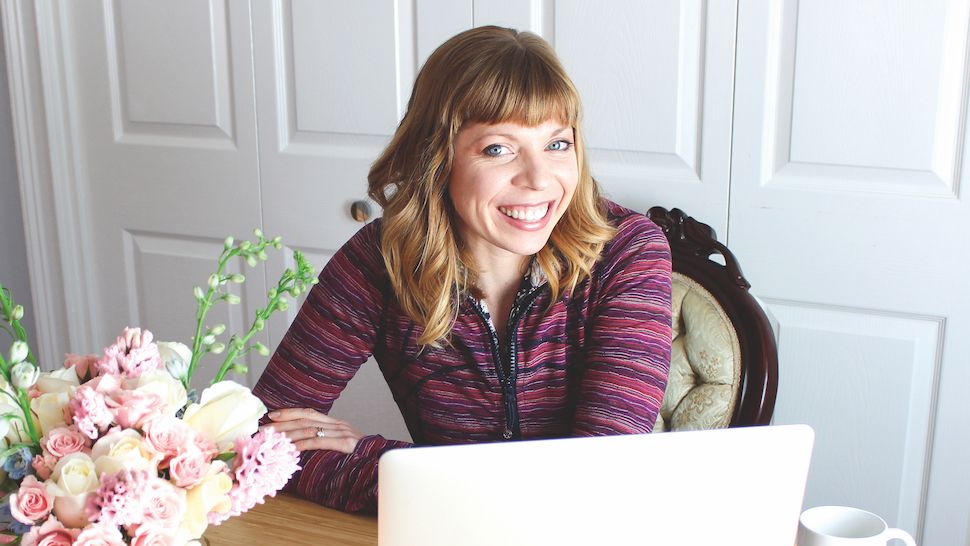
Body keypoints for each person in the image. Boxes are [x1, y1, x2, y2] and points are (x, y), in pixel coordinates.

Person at [253, 25, 672, 513]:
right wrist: (457, 486)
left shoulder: (627, 251)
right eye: (499, 148)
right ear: (438, 157)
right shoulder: (380, 259)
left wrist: (384, 461)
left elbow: (595, 482)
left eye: (557, 144)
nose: (539, 180)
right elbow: (260, 439)